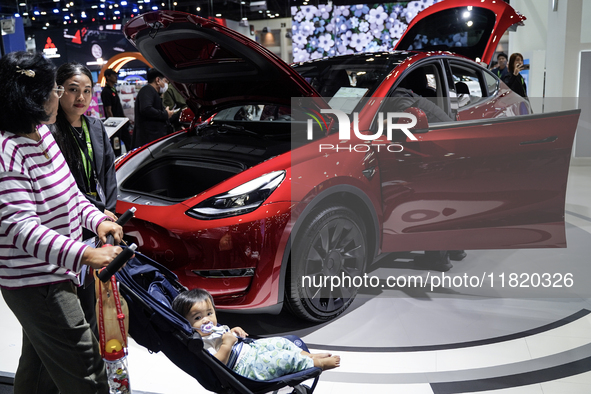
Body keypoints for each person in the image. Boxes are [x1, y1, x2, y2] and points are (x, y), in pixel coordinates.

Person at [0, 51, 124, 394]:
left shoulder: (42, 135)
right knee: (87, 370)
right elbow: (22, 229)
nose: (59, 97)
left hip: (56, 272)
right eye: (54, 90)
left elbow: (72, 195)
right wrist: (85, 255)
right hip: (36, 283)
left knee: (39, 366)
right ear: (32, 100)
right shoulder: (6, 151)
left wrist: (97, 220)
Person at [49, 62, 119, 336]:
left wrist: (108, 212)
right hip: (69, 223)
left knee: (92, 294)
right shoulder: (50, 132)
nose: (81, 98)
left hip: (99, 219)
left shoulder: (95, 126)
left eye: (87, 91)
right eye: (73, 90)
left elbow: (108, 174)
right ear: (58, 91)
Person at [172, 288, 340, 381]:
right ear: (186, 322)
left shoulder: (212, 329)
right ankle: (317, 364)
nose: (206, 320)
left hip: (248, 349)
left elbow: (225, 335)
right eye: (198, 318)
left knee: (282, 343)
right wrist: (227, 345)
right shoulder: (199, 341)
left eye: (209, 313)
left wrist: (233, 331)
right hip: (243, 367)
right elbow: (215, 363)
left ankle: (309, 357)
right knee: (281, 359)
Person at [131, 68, 174, 148]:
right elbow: (146, 109)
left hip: (152, 138)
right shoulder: (148, 90)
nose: (166, 84)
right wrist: (165, 114)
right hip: (148, 140)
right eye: (165, 81)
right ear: (158, 80)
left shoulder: (153, 92)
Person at [100, 68, 131, 152]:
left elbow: (118, 106)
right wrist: (114, 125)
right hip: (116, 124)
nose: (116, 77)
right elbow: (108, 109)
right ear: (108, 77)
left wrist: (125, 118)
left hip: (122, 122)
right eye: (114, 75)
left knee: (129, 142)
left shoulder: (113, 90)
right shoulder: (106, 92)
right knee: (116, 147)